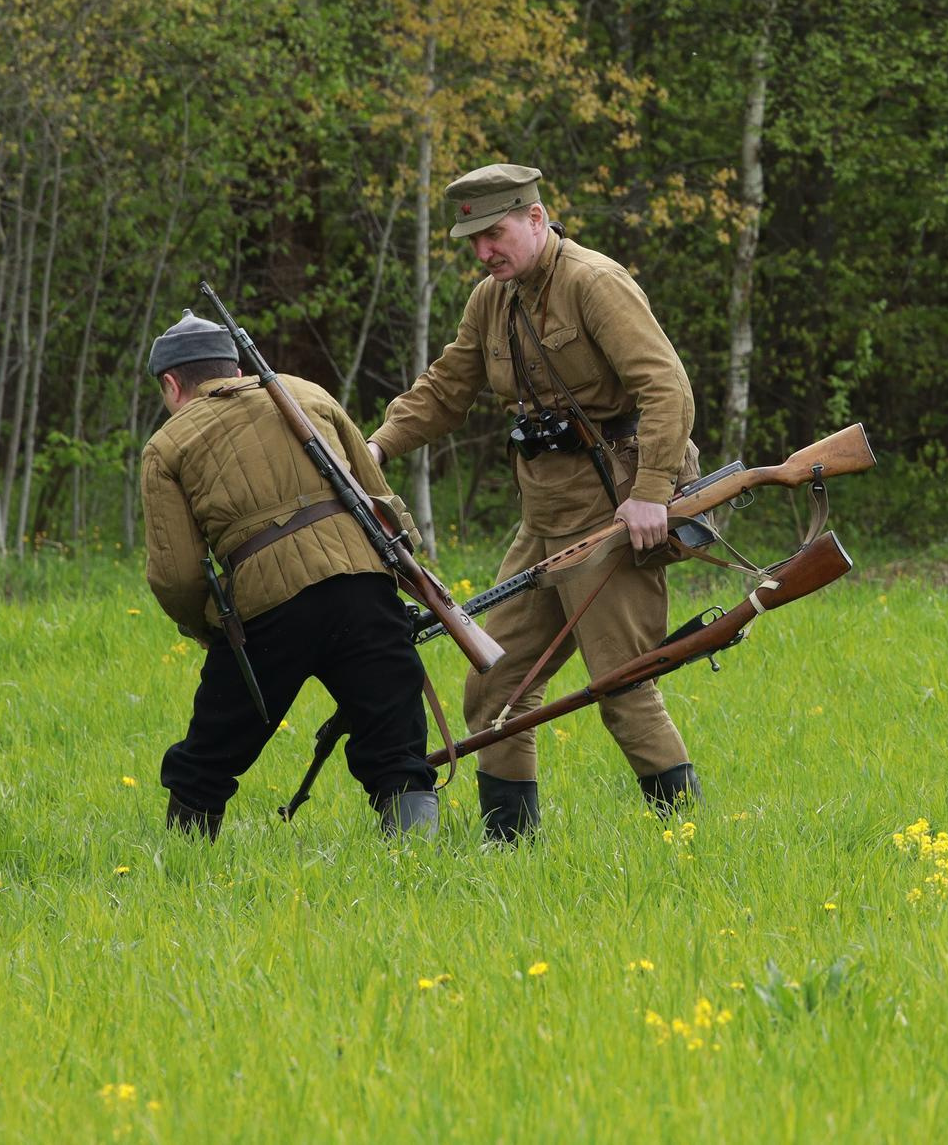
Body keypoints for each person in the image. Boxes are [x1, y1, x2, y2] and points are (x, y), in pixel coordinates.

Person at [367, 163, 700, 844]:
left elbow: (668, 388)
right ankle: (510, 844)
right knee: (493, 687)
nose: (487, 250)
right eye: (475, 240)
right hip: (543, 518)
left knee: (623, 685)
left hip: (611, 510)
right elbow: (443, 389)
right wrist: (373, 448)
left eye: (497, 231)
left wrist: (650, 496)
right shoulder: (493, 300)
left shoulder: (593, 282)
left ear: (538, 218)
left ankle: (689, 840)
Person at [138, 311, 439, 838]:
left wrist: (209, 628)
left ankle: (182, 869)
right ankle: (419, 867)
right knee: (398, 747)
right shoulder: (307, 394)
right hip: (364, 587)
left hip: (266, 609)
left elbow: (177, 576)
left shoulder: (166, 446)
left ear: (171, 383)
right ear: (233, 366)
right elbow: (380, 503)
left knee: (209, 755)